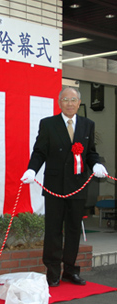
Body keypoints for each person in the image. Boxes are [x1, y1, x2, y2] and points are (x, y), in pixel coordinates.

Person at [21, 87, 107, 287]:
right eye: (65, 99)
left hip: (77, 185)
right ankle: (52, 271)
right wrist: (32, 170)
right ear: (59, 102)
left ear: (79, 103)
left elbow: (90, 152)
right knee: (53, 230)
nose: (69, 103)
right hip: (55, 185)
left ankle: (70, 270)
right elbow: (39, 152)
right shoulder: (48, 124)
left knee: (73, 229)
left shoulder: (87, 125)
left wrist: (96, 164)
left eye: (73, 99)